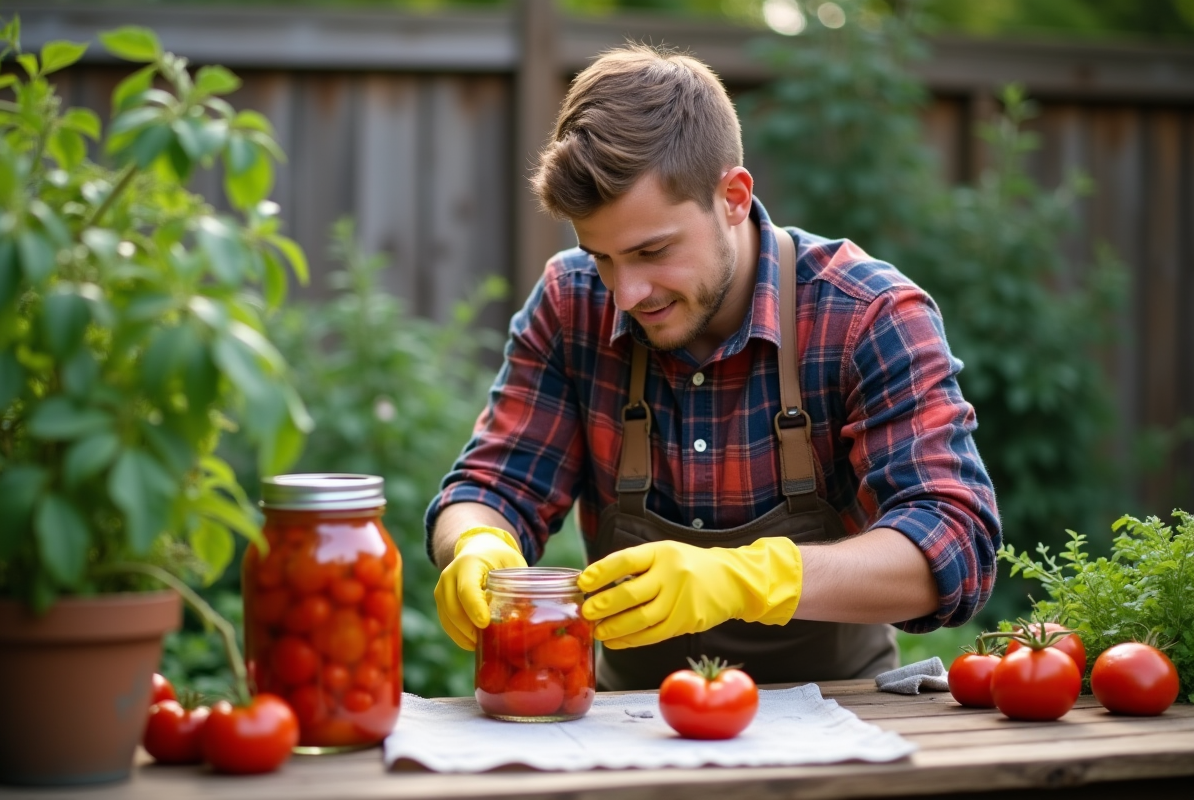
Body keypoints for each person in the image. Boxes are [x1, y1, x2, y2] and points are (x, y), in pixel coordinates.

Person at [427, 44, 1000, 691]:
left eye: (652, 250)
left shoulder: (867, 314)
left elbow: (954, 542)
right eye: (603, 257)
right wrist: (476, 546)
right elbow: (492, 489)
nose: (626, 293)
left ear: (732, 196)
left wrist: (746, 578)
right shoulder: (570, 303)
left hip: (844, 722)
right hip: (630, 730)